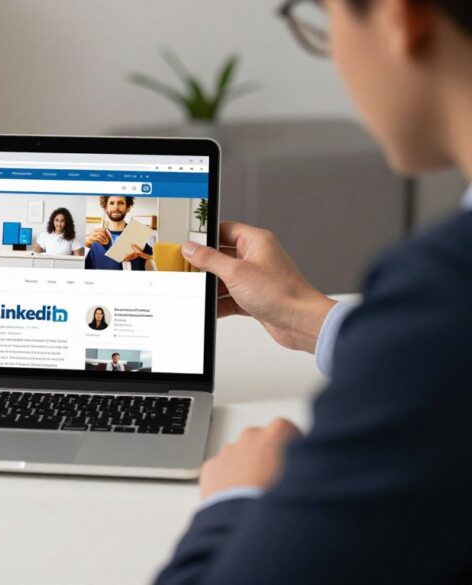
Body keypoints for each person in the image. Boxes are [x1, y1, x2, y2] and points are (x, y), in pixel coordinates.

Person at [155, 1, 472, 582]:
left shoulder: (444, 293)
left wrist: (235, 500)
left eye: (325, 20)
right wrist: (307, 317)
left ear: (402, 18)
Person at [83, 195, 153, 270]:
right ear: (105, 207)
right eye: (111, 203)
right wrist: (87, 246)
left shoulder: (138, 237)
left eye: (121, 203)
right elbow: (80, 268)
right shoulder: (95, 238)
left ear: (128, 208)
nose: (116, 208)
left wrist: (147, 257)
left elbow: (155, 266)